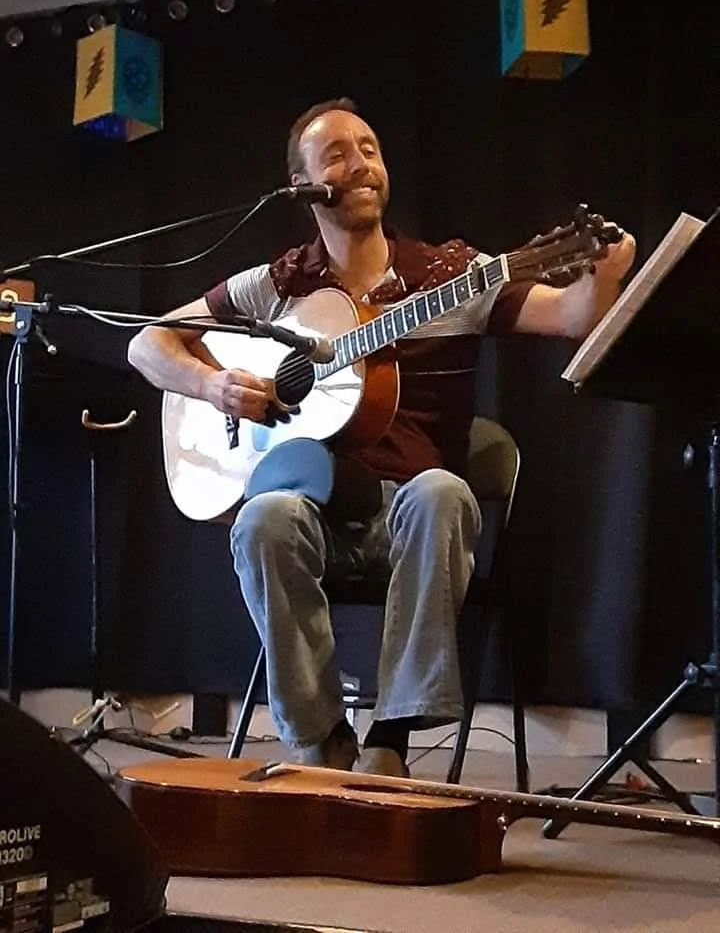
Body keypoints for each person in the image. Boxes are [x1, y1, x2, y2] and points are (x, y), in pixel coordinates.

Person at [127, 97, 636, 778]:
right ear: (304, 184)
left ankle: (390, 739)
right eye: (337, 154)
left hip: (411, 516)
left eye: (369, 148)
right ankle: (321, 739)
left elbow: (572, 316)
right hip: (314, 516)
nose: (361, 163)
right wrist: (212, 385)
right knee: (262, 519)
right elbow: (147, 343)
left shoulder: (448, 274)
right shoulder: (281, 284)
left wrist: (602, 275)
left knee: (441, 493)